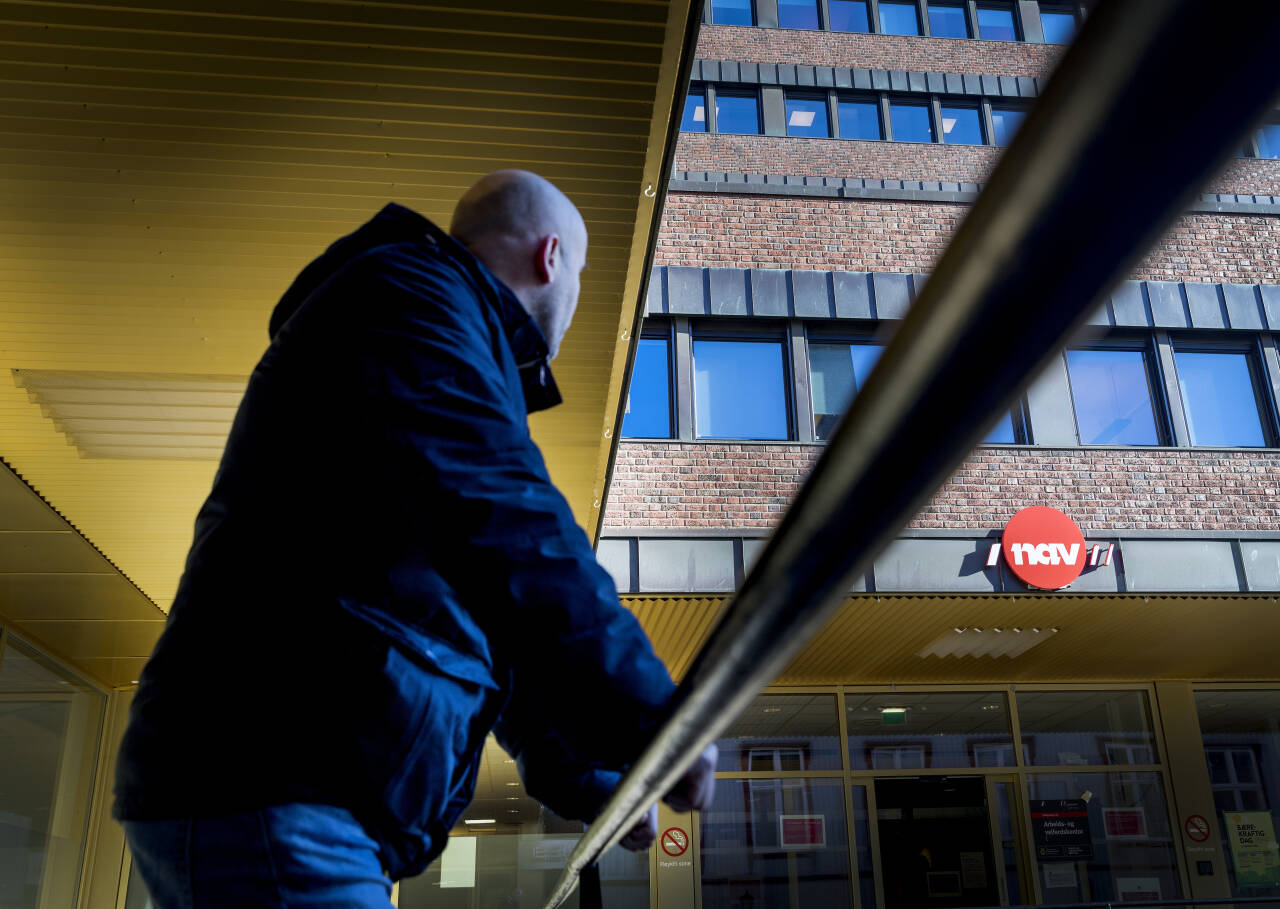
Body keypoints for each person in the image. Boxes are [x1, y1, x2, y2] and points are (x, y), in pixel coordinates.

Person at [114, 170, 717, 906]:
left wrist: (586, 776)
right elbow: (507, 523)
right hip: (273, 779)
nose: (576, 295)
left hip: (272, 781)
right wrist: (654, 717)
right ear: (551, 257)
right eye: (583, 274)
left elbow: (483, 605)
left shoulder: (425, 320)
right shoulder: (412, 297)